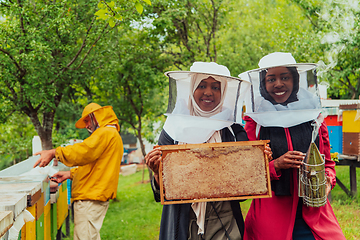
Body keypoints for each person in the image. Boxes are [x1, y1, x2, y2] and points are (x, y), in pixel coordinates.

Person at [239, 52, 346, 240]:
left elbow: (327, 163)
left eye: (285, 77)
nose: (278, 84)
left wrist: (327, 181)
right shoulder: (254, 123)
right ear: (263, 84)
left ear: (295, 80)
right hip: (271, 218)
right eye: (271, 79)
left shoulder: (314, 117)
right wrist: (276, 165)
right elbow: (246, 175)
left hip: (315, 215)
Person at [146, 61, 255, 240]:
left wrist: (254, 164)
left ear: (224, 91)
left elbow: (243, 191)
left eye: (216, 87)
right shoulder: (173, 128)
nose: (208, 92)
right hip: (182, 221)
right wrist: (157, 173)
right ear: (191, 88)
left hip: (225, 222)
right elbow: (163, 192)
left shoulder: (233, 129)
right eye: (201, 85)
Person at [33, 103, 124, 240]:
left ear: (96, 116)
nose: (87, 125)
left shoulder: (105, 133)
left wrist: (54, 152)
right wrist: (70, 174)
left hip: (90, 198)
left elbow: (83, 151)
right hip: (92, 196)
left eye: (87, 120)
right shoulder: (110, 134)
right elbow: (96, 166)